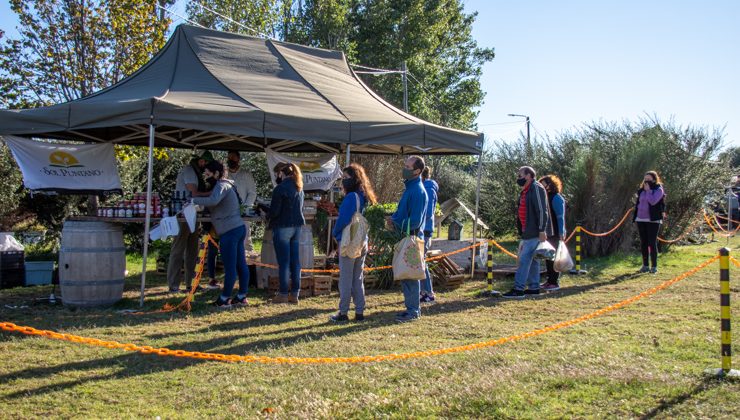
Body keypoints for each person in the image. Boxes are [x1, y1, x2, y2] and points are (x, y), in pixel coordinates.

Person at [191, 160, 250, 308]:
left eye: (208, 173)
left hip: (229, 231)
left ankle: (224, 299)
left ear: (217, 173)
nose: (205, 175)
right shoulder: (228, 184)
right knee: (240, 265)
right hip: (237, 228)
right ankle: (242, 296)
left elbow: (213, 200)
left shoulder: (221, 185)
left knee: (231, 267)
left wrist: (192, 200)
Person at [329, 163, 378, 323]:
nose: (343, 181)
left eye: (345, 178)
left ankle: (343, 312)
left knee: (346, 278)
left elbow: (343, 220)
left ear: (354, 179)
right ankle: (359, 311)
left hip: (349, 241)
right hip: (362, 241)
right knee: (357, 278)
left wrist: (335, 234)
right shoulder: (364, 196)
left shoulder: (351, 197)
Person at [205, 151, 258, 290]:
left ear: (239, 159)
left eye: (233, 158)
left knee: (246, 247)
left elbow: (252, 192)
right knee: (214, 248)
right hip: (224, 217)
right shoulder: (224, 176)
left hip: (242, 216)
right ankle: (213, 279)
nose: (231, 160)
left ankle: (244, 285)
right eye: (229, 158)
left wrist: (245, 208)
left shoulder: (246, 174)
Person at [166, 150, 213, 293]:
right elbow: (193, 193)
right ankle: (173, 285)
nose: (205, 165)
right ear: (199, 160)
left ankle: (191, 284)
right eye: (205, 162)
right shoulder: (189, 170)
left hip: (193, 213)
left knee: (193, 250)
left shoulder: (196, 172)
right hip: (182, 214)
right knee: (178, 249)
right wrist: (211, 194)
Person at [388, 156, 428, 322]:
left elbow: (416, 221)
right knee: (405, 275)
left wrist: (396, 222)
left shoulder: (418, 191)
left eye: (408, 166)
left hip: (411, 237)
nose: (404, 168)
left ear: (417, 171)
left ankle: (413, 311)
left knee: (410, 275)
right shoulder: (410, 188)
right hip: (404, 236)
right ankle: (410, 308)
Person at [503, 166, 552, 299]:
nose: (518, 178)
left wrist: (542, 229)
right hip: (527, 231)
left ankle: (518, 289)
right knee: (534, 259)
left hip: (534, 231)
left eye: (520, 176)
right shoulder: (526, 190)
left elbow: (542, 210)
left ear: (529, 175)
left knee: (524, 259)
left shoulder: (536, 188)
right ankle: (534, 287)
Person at [266, 162, 305, 304]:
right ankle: (295, 294)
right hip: (297, 227)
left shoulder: (280, 188)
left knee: (284, 262)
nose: (276, 176)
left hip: (283, 227)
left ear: (281, 173)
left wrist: (266, 213)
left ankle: (282, 294)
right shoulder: (299, 186)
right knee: (295, 262)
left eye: (277, 174)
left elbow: (274, 212)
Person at [633, 170, 665, 274]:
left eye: (649, 179)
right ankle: (645, 265)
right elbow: (639, 202)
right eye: (645, 179)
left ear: (654, 179)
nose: (646, 181)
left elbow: (653, 201)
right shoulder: (641, 190)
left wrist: (648, 191)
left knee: (652, 243)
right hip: (640, 219)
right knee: (644, 243)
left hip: (653, 220)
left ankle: (654, 266)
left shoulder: (658, 189)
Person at [538, 175, 566, 291]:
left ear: (550, 184)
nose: (542, 186)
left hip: (555, 232)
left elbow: (560, 217)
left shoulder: (556, 198)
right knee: (548, 257)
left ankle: (554, 282)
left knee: (553, 258)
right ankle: (550, 280)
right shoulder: (545, 197)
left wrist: (561, 232)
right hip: (548, 232)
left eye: (544, 183)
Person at [420, 166, 439, 304]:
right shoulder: (423, 187)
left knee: (421, 261)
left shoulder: (429, 189)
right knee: (419, 261)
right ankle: (423, 291)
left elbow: (428, 212)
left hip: (425, 230)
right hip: (422, 228)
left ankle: (429, 292)